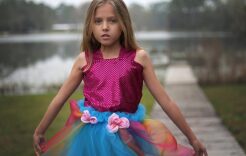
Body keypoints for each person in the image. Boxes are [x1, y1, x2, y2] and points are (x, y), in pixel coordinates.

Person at [33, 0, 207, 155]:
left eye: (112, 20)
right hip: (91, 137)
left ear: (123, 24)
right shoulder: (85, 59)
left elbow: (166, 102)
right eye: (98, 21)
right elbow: (59, 99)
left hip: (129, 136)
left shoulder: (139, 58)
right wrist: (40, 131)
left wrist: (192, 138)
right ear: (90, 26)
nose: (105, 27)